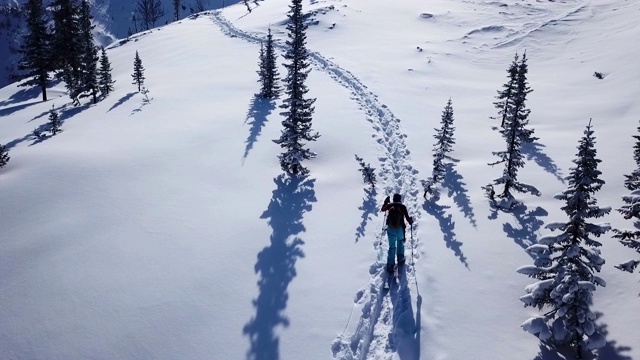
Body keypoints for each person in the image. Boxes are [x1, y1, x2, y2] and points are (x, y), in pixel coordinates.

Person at [381, 193, 413, 273]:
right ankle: (400, 258)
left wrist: (385, 202)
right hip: (399, 229)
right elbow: (408, 219)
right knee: (400, 242)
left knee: (391, 247)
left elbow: (383, 209)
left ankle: (390, 266)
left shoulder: (390, 205)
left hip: (390, 229)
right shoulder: (402, 207)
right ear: (400, 199)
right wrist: (411, 221)